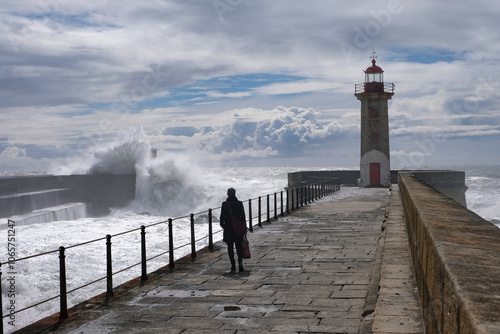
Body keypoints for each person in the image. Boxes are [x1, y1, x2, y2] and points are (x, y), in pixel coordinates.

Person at [220, 187, 247, 272]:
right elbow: (243, 217)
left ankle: (233, 265)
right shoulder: (239, 203)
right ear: (235, 194)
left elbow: (222, 217)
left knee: (230, 247)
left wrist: (223, 225)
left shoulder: (225, 204)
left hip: (228, 228)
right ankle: (240, 262)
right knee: (239, 246)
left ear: (227, 194)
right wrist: (244, 227)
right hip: (238, 228)